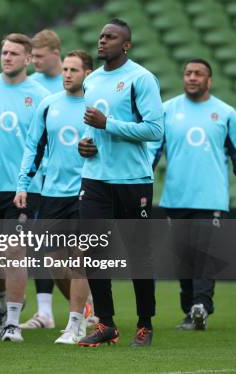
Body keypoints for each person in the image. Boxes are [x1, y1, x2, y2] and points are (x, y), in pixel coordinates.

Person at [76, 19, 163, 347]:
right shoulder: (93, 80)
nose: (102, 41)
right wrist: (85, 143)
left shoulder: (141, 79)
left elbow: (155, 130)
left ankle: (145, 323)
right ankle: (107, 323)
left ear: (126, 45)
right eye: (100, 36)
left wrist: (107, 123)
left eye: (110, 37)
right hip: (94, 177)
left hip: (132, 179)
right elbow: (91, 128)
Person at [0, 33, 50, 339]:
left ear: (28, 59)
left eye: (15, 53)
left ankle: (13, 323)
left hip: (26, 187)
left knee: (14, 251)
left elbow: (47, 142)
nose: (7, 57)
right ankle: (5, 303)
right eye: (4, 52)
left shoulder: (42, 96)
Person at [149, 58, 236, 331]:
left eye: (199, 74)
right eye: (188, 73)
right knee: (183, 259)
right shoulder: (166, 111)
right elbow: (152, 153)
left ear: (209, 80)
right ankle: (190, 310)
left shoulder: (226, 114)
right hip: (175, 198)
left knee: (204, 253)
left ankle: (201, 305)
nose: (192, 77)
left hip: (211, 198)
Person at [14, 50, 93, 344]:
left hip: (87, 193)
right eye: (65, 70)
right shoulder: (49, 105)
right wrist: (23, 184)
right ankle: (86, 310)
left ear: (87, 73)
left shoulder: (96, 106)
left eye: (74, 70)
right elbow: (33, 147)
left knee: (79, 258)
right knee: (52, 260)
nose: (68, 75)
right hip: (53, 193)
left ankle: (76, 324)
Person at [29, 29, 64, 94]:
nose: (34, 61)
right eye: (32, 56)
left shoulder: (76, 82)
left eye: (39, 56)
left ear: (56, 53)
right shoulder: (29, 83)